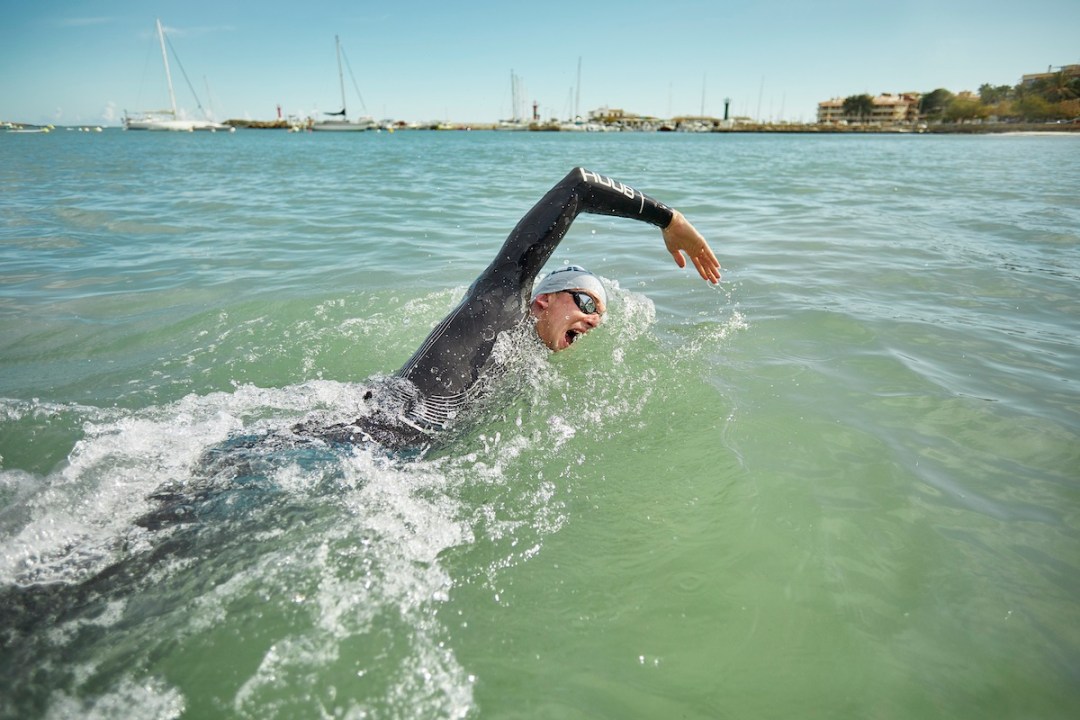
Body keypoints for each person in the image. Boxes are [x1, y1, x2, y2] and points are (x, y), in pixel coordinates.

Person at [299, 167, 720, 453]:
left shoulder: (527, 363)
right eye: (587, 302)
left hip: (383, 457)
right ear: (544, 298)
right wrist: (668, 218)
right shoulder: (501, 301)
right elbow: (577, 186)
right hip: (351, 439)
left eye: (600, 316)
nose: (594, 319)